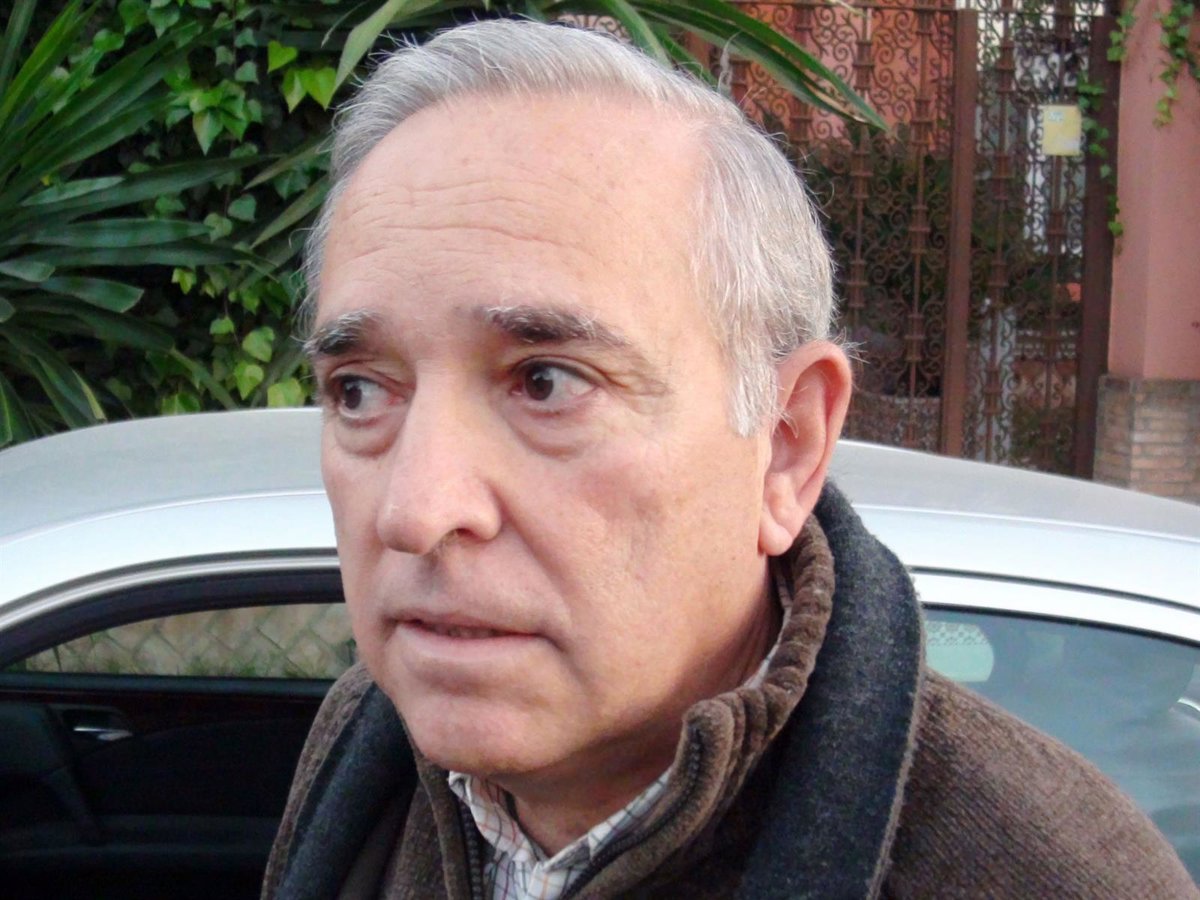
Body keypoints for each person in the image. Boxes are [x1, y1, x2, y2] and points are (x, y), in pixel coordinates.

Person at [262, 18, 1196, 900]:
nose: (416, 510)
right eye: (360, 390)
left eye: (546, 382)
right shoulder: (366, 745)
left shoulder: (1049, 873)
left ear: (787, 444)